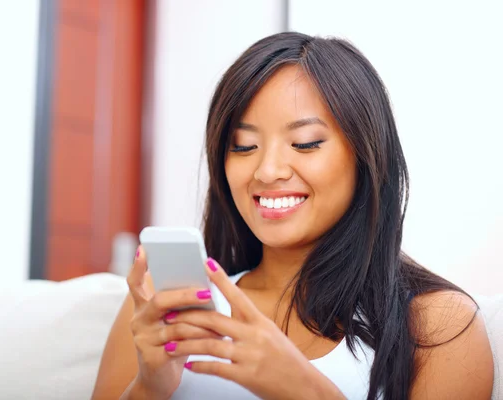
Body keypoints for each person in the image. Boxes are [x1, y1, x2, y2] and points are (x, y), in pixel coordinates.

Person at [92, 32, 494, 399]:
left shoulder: (436, 325)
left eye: (304, 143)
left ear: (368, 157)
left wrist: (303, 390)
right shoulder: (165, 307)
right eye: (244, 146)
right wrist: (149, 385)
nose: (267, 171)